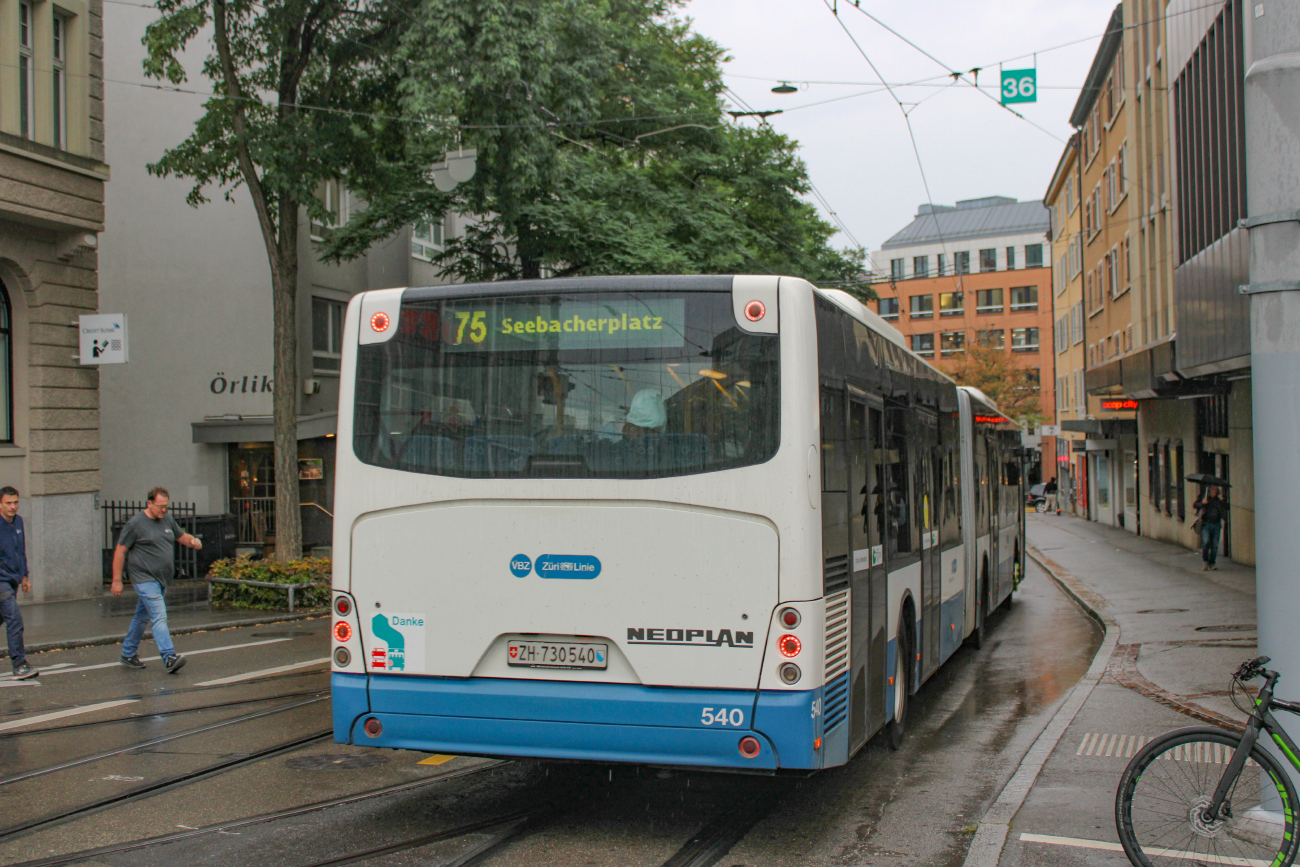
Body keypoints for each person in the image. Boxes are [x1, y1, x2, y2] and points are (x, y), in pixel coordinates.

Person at [113, 487, 203, 673]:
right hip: (144, 578)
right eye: (160, 506)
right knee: (159, 616)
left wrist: (193, 541)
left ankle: (128, 654)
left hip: (161, 579)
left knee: (141, 617)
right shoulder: (135, 524)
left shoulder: (167, 520)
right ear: (150, 503)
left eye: (166, 506)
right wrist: (116, 580)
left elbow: (181, 537)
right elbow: (120, 551)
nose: (163, 510)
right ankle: (169, 656)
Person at [0, 486, 37, 680]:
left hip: (13, 579)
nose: (12, 507)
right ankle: (19, 664)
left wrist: (24, 576)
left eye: (15, 502)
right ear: (0, 503)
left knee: (3, 618)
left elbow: (20, 551)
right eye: (8, 503)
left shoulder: (18, 522)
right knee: (14, 619)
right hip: (1, 582)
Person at [1193, 485, 1228, 571]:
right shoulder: (1204, 496)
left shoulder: (1219, 499)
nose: (1214, 491)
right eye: (1213, 489)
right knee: (1206, 542)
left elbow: (1227, 507)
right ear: (1209, 490)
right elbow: (1195, 505)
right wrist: (1202, 503)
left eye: (1216, 489)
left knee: (1215, 545)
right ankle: (1205, 561)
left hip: (1216, 524)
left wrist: (1222, 499)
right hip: (1206, 524)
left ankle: (1212, 563)